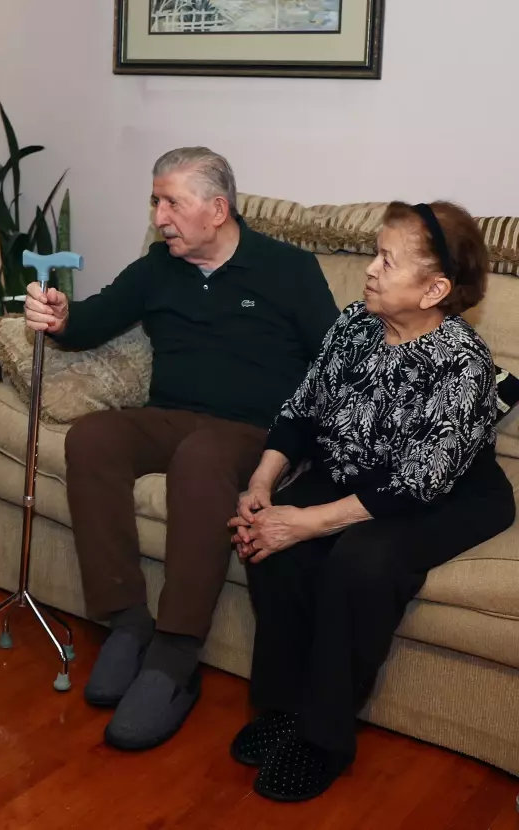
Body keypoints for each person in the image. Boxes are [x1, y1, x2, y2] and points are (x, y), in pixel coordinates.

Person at [24, 147, 339, 750]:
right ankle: (126, 620)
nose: (159, 216)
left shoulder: (288, 270)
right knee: (93, 436)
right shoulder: (157, 267)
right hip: (171, 417)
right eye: (155, 202)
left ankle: (175, 654)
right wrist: (62, 317)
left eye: (171, 202)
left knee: (201, 457)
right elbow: (92, 320)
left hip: (253, 432)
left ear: (217, 209)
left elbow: (333, 365)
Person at [228, 200, 515, 802]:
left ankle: (323, 738)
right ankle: (283, 707)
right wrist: (262, 484)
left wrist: (308, 522)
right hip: (360, 469)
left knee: (361, 562)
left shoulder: (462, 363)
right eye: (375, 254)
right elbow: (302, 409)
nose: (370, 269)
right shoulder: (355, 323)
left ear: (435, 289)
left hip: (450, 491)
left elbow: (416, 482)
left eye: (388, 260)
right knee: (272, 543)